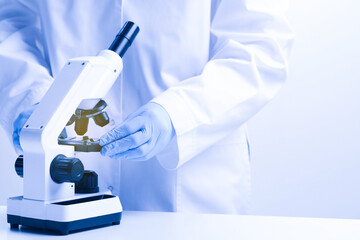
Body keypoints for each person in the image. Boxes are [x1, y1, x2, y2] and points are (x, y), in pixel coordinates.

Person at [0, 0, 294, 214]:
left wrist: (176, 114)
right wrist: (31, 99)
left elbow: (260, 45)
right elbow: (8, 19)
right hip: (63, 182)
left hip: (189, 192)